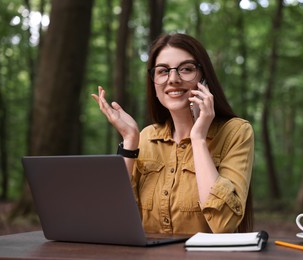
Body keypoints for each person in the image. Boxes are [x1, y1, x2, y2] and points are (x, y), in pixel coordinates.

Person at [91, 33, 254, 234]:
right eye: (163, 71)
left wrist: (198, 138)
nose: (173, 79)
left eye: (186, 69)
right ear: (154, 82)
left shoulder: (236, 131)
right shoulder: (146, 137)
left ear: (204, 79)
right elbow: (111, 218)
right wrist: (130, 141)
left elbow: (224, 225)